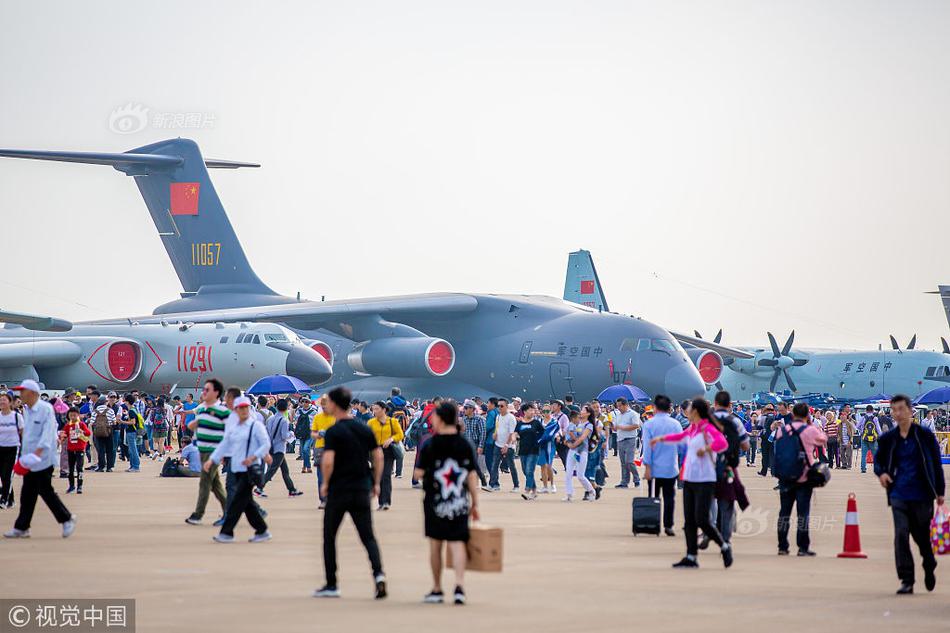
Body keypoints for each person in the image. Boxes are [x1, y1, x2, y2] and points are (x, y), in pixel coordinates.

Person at [314, 387, 387, 600]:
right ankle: (379, 575)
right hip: (361, 489)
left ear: (335, 405)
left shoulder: (335, 432)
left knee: (329, 537)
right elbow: (378, 456)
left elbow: (328, 461)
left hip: (339, 490)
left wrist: (325, 483)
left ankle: (332, 583)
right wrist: (376, 482)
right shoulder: (364, 429)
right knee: (368, 536)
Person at [874, 394, 945, 595]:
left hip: (923, 494)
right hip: (898, 494)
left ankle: (929, 563)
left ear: (910, 410)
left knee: (922, 537)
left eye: (901, 409)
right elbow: (878, 462)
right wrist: (882, 473)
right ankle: (907, 579)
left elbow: (936, 465)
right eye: (894, 410)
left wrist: (940, 492)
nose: (897, 413)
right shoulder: (888, 439)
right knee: (901, 535)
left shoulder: (924, 436)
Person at [650, 398, 732, 569]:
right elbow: (680, 436)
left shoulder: (707, 428)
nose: (688, 411)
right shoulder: (693, 429)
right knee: (689, 521)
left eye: (691, 409)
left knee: (702, 519)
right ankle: (691, 556)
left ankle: (724, 546)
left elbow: (723, 443)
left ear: (696, 411)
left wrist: (707, 448)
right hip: (689, 478)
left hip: (705, 479)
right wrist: (661, 439)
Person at [414, 401, 481, 605]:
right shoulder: (465, 444)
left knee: (436, 545)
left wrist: (431, 473)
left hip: (435, 501)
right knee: (458, 543)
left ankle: (437, 588)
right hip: (459, 501)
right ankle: (459, 586)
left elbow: (417, 474)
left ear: (440, 419)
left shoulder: (429, 444)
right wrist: (474, 503)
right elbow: (471, 475)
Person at [4, 380, 76, 539]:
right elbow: (28, 435)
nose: (20, 395)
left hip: (43, 458)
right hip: (29, 458)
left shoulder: (45, 409)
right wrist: (24, 457)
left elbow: (47, 435)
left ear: (32, 393)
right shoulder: (27, 410)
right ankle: (22, 527)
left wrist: (36, 455)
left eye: (23, 391)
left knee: (45, 491)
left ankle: (67, 518)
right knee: (27, 493)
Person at [205, 396, 271, 543]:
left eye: (246, 407)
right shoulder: (234, 428)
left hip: (250, 469)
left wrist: (253, 457)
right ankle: (262, 530)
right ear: (235, 410)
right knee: (247, 503)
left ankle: (226, 533)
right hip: (236, 468)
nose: (244, 410)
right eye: (240, 408)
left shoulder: (256, 426)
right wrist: (212, 460)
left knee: (237, 502)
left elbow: (265, 445)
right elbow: (224, 445)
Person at [774, 403, 827, 556]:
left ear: (793, 414)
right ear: (807, 416)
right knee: (803, 514)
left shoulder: (782, 430)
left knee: (784, 512)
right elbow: (823, 439)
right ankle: (802, 547)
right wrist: (811, 426)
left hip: (785, 476)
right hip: (804, 477)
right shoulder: (809, 430)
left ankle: (782, 546)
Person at [185, 379, 229, 526]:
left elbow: (230, 433)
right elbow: (193, 426)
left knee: (204, 483)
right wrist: (195, 424)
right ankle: (230, 510)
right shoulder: (202, 409)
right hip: (202, 451)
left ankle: (198, 514)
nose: (203, 392)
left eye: (207, 390)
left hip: (213, 452)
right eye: (204, 389)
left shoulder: (223, 411)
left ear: (216, 393)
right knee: (215, 485)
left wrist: (223, 453)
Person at [641, 395, 682, 536]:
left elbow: (647, 448)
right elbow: (681, 446)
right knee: (670, 497)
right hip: (671, 467)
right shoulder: (675, 424)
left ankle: (652, 523)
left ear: (655, 408)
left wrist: (647, 467)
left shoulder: (649, 424)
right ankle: (668, 525)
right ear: (669, 408)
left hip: (654, 468)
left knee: (653, 497)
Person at [257, 399, 303, 498]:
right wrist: (291, 434)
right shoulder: (284, 420)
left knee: (285, 471)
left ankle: (292, 489)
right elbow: (284, 435)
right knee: (272, 470)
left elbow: (267, 433)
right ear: (286, 408)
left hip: (271, 446)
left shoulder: (270, 419)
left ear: (277, 407)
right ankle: (259, 488)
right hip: (279, 448)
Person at [368, 400, 404, 510]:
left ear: (384, 409)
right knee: (376, 476)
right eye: (373, 409)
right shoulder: (371, 423)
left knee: (386, 475)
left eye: (377, 409)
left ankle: (385, 502)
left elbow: (400, 434)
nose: (375, 411)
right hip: (374, 451)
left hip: (388, 451)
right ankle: (380, 501)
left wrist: (392, 439)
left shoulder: (392, 422)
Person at [562, 407, 596, 502]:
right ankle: (569, 494)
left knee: (580, 475)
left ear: (588, 413)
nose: (581, 412)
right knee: (568, 473)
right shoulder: (576, 423)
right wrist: (568, 443)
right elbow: (569, 434)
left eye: (583, 411)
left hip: (581, 451)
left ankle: (591, 491)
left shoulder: (589, 425)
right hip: (572, 451)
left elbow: (582, 438)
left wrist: (573, 445)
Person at [488, 399, 519, 492]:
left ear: (506, 407)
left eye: (502, 406)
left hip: (508, 446)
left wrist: (506, 445)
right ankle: (493, 484)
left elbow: (511, 433)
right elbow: (497, 428)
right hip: (498, 444)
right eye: (498, 406)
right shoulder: (498, 416)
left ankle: (516, 485)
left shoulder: (511, 418)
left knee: (511, 466)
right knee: (494, 465)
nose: (499, 408)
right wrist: (495, 434)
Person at [514, 402, 544, 500]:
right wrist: (514, 437)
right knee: (525, 471)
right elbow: (515, 432)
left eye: (533, 410)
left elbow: (543, 433)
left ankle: (527, 490)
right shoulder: (520, 424)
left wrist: (539, 441)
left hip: (534, 450)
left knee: (529, 470)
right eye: (530, 410)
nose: (533, 412)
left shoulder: (536, 423)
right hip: (523, 450)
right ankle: (534, 491)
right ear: (525, 412)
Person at [311, 396, 336, 508]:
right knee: (320, 476)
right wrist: (318, 435)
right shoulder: (317, 417)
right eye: (323, 405)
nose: (325, 407)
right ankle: (323, 500)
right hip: (320, 448)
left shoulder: (335, 417)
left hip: (333, 448)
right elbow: (313, 433)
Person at [0, 391, 23, 508]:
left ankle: (3, 500)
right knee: (2, 475)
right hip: (0, 448)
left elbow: (22, 432)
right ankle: (11, 499)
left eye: (4, 400)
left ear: (10, 402)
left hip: (13, 448)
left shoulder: (16, 416)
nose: (2, 402)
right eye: (0, 400)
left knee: (7, 475)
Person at [613, 398, 642, 488]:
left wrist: (622, 427)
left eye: (620, 406)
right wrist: (614, 427)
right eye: (617, 406)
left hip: (630, 439)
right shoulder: (617, 415)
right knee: (623, 462)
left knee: (629, 461)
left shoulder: (633, 414)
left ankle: (636, 479)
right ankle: (624, 482)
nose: (618, 408)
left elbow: (636, 425)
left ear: (625, 405)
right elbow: (616, 426)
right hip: (620, 439)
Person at [61, 407, 90, 494]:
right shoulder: (67, 425)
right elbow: (64, 434)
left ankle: (80, 486)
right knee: (71, 468)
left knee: (79, 468)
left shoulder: (81, 424)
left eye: (74, 415)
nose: (73, 417)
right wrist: (62, 436)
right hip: (70, 449)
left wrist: (82, 432)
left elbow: (88, 433)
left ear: (78, 415)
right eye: (71, 415)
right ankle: (71, 485)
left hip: (80, 449)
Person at [460, 400, 486, 487]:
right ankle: (477, 480)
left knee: (473, 463)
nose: (464, 410)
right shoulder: (464, 419)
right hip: (466, 444)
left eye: (466, 408)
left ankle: (481, 479)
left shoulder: (480, 419)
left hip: (475, 444)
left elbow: (483, 433)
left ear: (472, 409)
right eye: (464, 408)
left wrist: (480, 446)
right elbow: (463, 432)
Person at [90, 395, 116, 472]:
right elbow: (114, 422)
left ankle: (101, 467)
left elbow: (91, 422)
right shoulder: (110, 410)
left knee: (100, 449)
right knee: (109, 449)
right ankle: (109, 467)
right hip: (108, 432)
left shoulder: (95, 411)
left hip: (97, 433)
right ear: (106, 402)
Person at [857, 405, 882, 473]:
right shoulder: (875, 418)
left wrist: (862, 431)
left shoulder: (863, 418)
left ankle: (863, 468)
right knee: (875, 454)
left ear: (866, 410)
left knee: (863, 454)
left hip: (864, 437)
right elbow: (878, 428)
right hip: (873, 438)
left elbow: (857, 426)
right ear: (872, 410)